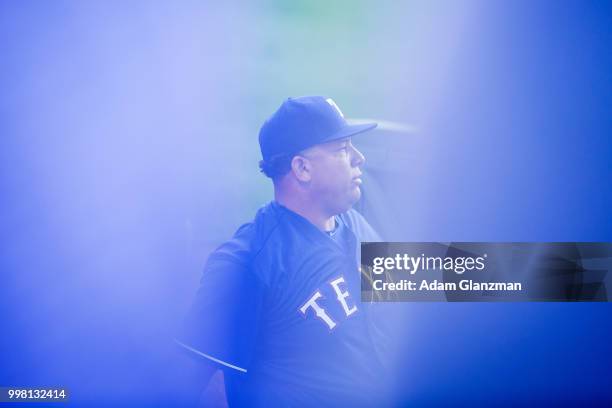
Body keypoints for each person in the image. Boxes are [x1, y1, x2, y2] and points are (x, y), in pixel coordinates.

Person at [176, 96, 390, 407]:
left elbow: (427, 279)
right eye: (342, 149)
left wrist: (484, 274)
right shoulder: (250, 262)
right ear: (302, 168)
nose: (359, 158)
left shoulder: (353, 224)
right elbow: (183, 382)